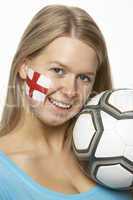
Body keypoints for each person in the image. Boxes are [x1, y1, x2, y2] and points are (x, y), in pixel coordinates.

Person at [0, 4, 132, 200]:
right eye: (58, 70)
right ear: (24, 67)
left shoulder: (118, 151)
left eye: (84, 78)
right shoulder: (5, 172)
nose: (71, 91)